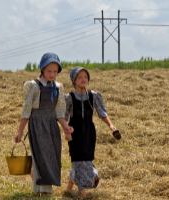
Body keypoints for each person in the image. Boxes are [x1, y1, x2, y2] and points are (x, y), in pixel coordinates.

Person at [14, 53, 73, 195]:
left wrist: (65, 126)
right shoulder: (34, 86)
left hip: (51, 125)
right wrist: (20, 131)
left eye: (55, 71)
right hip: (37, 124)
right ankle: (43, 190)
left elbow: (59, 110)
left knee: (52, 155)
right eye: (49, 71)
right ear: (42, 69)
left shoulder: (58, 87)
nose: (52, 74)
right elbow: (26, 110)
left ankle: (43, 187)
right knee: (41, 155)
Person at [64, 67, 116, 198]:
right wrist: (66, 131)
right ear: (74, 80)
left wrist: (111, 125)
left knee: (86, 159)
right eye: (80, 77)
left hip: (89, 133)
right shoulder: (69, 98)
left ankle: (69, 187)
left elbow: (102, 113)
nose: (83, 79)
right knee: (77, 160)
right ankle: (82, 193)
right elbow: (63, 117)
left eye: (85, 77)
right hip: (74, 132)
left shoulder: (93, 96)